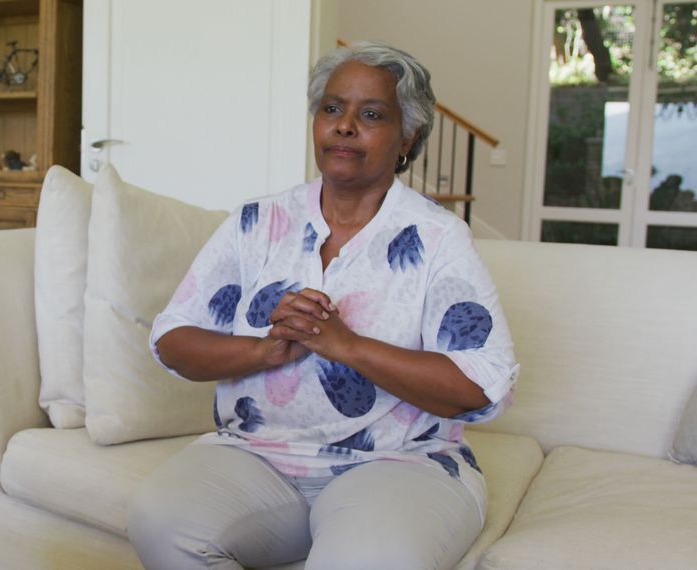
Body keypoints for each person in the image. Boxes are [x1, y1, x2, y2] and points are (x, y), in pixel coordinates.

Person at [129, 41, 519, 570]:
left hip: (401, 463)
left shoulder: (438, 238)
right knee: (160, 520)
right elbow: (173, 340)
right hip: (257, 455)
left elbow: (481, 387)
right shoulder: (256, 222)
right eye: (332, 108)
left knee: (366, 559)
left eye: (372, 114)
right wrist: (266, 351)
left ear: (409, 137)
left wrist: (348, 346)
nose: (344, 126)